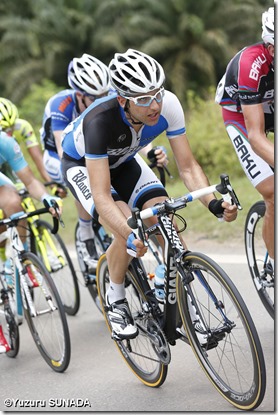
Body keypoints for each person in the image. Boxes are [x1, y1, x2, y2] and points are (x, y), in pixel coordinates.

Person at [61, 49, 237, 340]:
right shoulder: (99, 121)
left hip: (125, 161)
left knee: (163, 217)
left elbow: (188, 167)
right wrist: (129, 234)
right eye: (143, 99)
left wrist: (214, 204)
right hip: (83, 167)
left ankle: (187, 310)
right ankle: (115, 297)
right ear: (122, 100)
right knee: (124, 225)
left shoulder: (168, 105)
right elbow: (102, 195)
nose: (154, 105)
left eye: (157, 93)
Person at [41, 53, 167, 274]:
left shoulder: (115, 99)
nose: (101, 98)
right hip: (61, 154)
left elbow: (132, 132)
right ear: (79, 96)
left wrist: (149, 152)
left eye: (104, 94)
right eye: (94, 96)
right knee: (81, 180)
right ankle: (86, 231)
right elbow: (62, 149)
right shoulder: (60, 105)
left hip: (100, 150)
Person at [215, 7, 274, 269]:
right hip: (240, 114)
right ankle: (274, 261)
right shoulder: (252, 64)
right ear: (271, 48)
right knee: (272, 192)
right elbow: (256, 136)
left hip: (270, 102)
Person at [0, 130, 62, 353]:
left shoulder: (5, 142)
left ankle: (15, 257)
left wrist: (47, 198)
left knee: (15, 203)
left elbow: (30, 180)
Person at [0, 97, 53, 185]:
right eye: (4, 129)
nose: (8, 132)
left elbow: (38, 159)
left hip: (11, 162)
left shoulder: (23, 127)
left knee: (23, 188)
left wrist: (52, 184)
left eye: (12, 126)